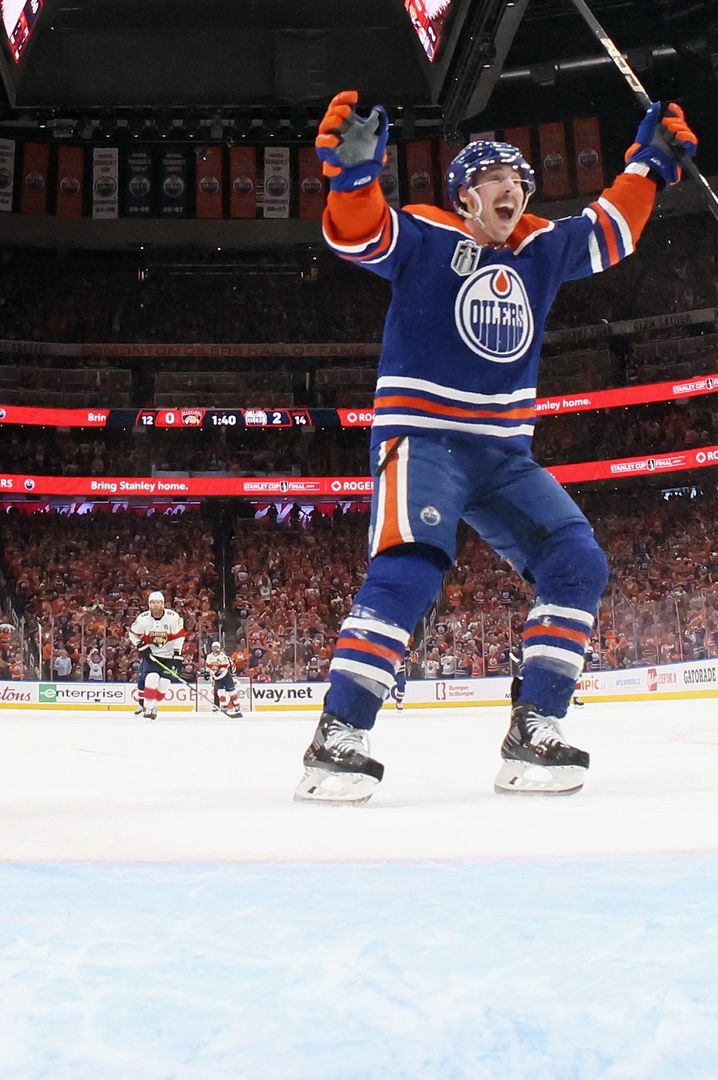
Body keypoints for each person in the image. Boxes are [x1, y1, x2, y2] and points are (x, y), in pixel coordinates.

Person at [296, 89, 695, 803]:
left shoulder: (540, 249)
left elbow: (610, 230)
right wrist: (352, 179)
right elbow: (359, 236)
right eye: (495, 178)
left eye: (519, 178)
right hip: (424, 439)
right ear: (464, 194)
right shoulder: (425, 234)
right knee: (412, 571)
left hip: (504, 453)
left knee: (577, 562)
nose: (512, 187)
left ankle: (535, 727)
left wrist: (649, 167)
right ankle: (338, 735)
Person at [126, 590, 185, 720]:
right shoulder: (142, 619)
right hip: (152, 656)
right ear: (149, 604)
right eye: (153, 602)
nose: (156, 605)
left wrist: (177, 653)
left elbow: (180, 636)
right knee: (151, 679)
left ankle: (153, 706)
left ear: (163, 604)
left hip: (169, 656)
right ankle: (147, 708)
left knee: (164, 685)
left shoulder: (173, 617)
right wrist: (140, 645)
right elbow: (132, 633)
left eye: (158, 602)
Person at [203, 641, 244, 718]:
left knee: (232, 692)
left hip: (225, 676)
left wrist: (219, 671)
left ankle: (237, 705)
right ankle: (224, 706)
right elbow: (208, 666)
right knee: (220, 692)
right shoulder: (209, 656)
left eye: (216, 647)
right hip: (217, 678)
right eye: (213, 647)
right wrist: (207, 673)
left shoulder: (223, 656)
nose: (215, 649)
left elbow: (225, 666)